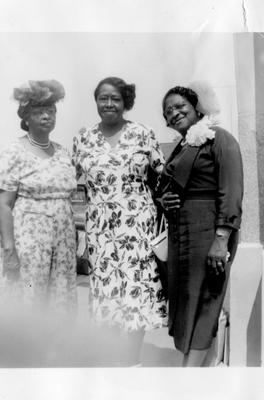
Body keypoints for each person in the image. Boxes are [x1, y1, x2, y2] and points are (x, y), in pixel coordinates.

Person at [72, 77, 168, 367]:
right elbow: (70, 182)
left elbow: (163, 177)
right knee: (108, 293)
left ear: (126, 102)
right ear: (96, 102)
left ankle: (132, 361)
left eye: (115, 98)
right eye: (103, 98)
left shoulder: (143, 134)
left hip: (138, 224)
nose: (109, 104)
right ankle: (113, 359)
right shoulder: (83, 139)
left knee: (135, 291)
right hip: (101, 228)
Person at [159, 82, 244, 367]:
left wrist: (221, 240)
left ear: (197, 108)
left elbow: (230, 190)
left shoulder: (218, 137)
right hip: (183, 236)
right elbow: (169, 186)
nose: (173, 113)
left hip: (209, 232)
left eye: (180, 106)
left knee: (204, 301)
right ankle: (197, 369)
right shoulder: (181, 147)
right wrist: (165, 198)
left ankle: (189, 374)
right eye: (167, 111)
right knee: (187, 302)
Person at [0, 80, 78, 317]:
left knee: (56, 307)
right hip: (28, 244)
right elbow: (3, 205)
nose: (47, 116)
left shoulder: (62, 151)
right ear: (26, 117)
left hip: (62, 244)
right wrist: (9, 251)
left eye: (51, 111)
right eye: (39, 112)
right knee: (27, 304)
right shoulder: (13, 151)